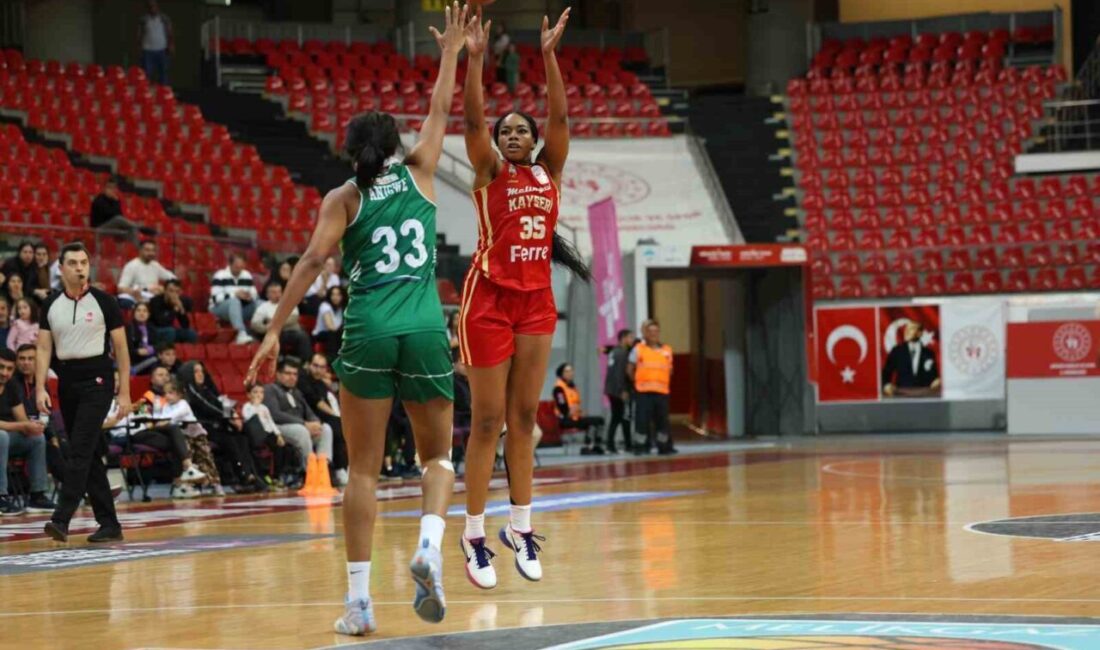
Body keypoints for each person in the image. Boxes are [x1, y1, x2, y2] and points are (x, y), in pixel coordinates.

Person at [247, 3, 469, 634]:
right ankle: (429, 545)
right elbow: (441, 109)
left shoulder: (341, 199)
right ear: (396, 147)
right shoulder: (423, 170)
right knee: (436, 459)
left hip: (369, 330)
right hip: (427, 327)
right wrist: (451, 51)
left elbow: (313, 262)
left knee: (364, 469)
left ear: (347, 151)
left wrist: (271, 329)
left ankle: (359, 604)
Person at [456, 7, 589, 590]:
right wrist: (478, 59)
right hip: (488, 300)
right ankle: (474, 535)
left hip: (536, 302)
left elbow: (561, 113)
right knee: (486, 422)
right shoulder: (488, 172)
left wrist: (550, 56)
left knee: (524, 421)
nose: (511, 134)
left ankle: (522, 527)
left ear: (534, 143)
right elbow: (471, 117)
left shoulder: (547, 174)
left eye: (520, 131)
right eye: (505, 129)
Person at [38, 242, 129, 543]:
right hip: (67, 381)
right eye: (73, 263)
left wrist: (125, 392)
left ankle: (61, 519)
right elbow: (42, 348)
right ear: (61, 268)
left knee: (79, 449)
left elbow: (122, 350)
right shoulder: (50, 304)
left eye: (84, 262)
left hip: (98, 380)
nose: (80, 268)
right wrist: (40, 387)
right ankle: (109, 523)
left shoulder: (105, 302)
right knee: (86, 454)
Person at [178, 360, 266, 492]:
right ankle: (243, 476)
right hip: (200, 428)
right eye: (196, 371)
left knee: (242, 437)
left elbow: (222, 402)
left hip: (217, 424)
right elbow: (207, 407)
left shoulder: (207, 389)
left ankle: (252, 474)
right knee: (230, 439)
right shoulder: (190, 391)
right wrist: (230, 418)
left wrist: (233, 415)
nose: (200, 374)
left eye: (202, 371)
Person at [0, 348, 54, 515]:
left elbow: (21, 419)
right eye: (1, 367)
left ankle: (37, 496)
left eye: (9, 369)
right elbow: (18, 425)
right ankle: (1, 496)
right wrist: (22, 426)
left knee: (36, 439)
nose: (5, 373)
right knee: (1, 437)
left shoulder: (11, 386)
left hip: (7, 437)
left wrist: (31, 426)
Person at [262, 357, 334, 475]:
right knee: (301, 430)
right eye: (288, 373)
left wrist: (315, 423)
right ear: (278, 374)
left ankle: (323, 470)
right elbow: (275, 414)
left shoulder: (297, 392)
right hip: (279, 428)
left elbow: (309, 412)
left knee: (325, 429)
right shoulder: (270, 389)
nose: (292, 377)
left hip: (300, 427)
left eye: (295, 374)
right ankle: (309, 471)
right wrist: (304, 423)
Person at [15, 344, 66, 485]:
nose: (26, 362)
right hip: (20, 433)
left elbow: (47, 416)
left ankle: (88, 487)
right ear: (16, 361)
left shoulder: (42, 386)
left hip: (40, 432)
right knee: (50, 449)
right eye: (22, 359)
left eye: (31, 359)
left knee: (68, 447)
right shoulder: (11, 384)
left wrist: (54, 438)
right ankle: (79, 490)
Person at [627, 320, 676, 455]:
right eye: (650, 331)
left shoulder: (667, 350)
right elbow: (630, 369)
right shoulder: (638, 349)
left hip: (662, 392)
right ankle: (640, 447)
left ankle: (663, 446)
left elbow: (670, 370)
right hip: (643, 392)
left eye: (656, 331)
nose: (653, 334)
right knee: (641, 421)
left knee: (662, 422)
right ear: (645, 334)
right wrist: (637, 382)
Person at [299, 353, 349, 486]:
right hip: (311, 416)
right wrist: (335, 415)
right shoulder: (303, 380)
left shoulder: (322, 384)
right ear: (309, 365)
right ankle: (339, 469)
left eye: (322, 367)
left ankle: (346, 467)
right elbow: (317, 403)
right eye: (315, 365)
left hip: (325, 416)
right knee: (337, 425)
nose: (318, 369)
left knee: (345, 426)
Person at [241, 383, 292, 486]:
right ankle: (264, 475)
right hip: (257, 435)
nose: (259, 395)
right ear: (248, 395)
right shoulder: (247, 407)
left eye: (261, 392)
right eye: (255, 392)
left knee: (283, 447)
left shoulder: (264, 407)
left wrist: (278, 434)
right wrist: (255, 405)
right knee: (265, 449)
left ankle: (278, 475)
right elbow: (248, 417)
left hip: (269, 433)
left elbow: (271, 422)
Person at [251, 282, 313, 362]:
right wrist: (267, 327)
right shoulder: (263, 307)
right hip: (275, 333)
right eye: (273, 292)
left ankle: (305, 362)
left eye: (279, 292)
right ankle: (279, 361)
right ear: (267, 295)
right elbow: (255, 324)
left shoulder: (289, 302)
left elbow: (293, 319)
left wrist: (273, 323)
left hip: (291, 331)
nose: (277, 295)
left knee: (303, 336)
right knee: (273, 336)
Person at [553, 363, 606, 455]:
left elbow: (576, 404)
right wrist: (573, 412)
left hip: (575, 416)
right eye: (567, 371)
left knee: (599, 420)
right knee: (591, 422)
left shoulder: (572, 387)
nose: (570, 373)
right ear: (561, 373)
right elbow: (563, 409)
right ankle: (587, 447)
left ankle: (595, 445)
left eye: (571, 370)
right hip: (565, 419)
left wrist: (578, 412)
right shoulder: (558, 388)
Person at [882, 320, 941, 397]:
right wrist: (886, 385)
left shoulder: (928, 353)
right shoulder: (897, 351)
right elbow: (886, 373)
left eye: (911, 328)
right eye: (906, 329)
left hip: (924, 394)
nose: (906, 331)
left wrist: (936, 381)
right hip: (901, 394)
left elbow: (934, 375)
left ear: (920, 333)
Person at [209, 253, 259, 345]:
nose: (239, 270)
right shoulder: (220, 275)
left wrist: (249, 296)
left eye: (241, 267)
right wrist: (235, 294)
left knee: (260, 303)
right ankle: (241, 334)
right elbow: (216, 299)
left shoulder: (247, 275)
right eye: (236, 267)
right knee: (234, 302)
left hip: (241, 307)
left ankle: (262, 332)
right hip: (219, 308)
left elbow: (255, 294)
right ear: (230, 264)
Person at [117, 240, 175, 308]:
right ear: (140, 251)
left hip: (154, 298)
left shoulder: (155, 265)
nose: (151, 253)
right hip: (138, 298)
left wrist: (164, 288)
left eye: (153, 250)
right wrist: (136, 292)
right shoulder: (131, 266)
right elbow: (121, 288)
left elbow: (172, 278)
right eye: (147, 250)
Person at [603, 328, 635, 453]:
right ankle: (624, 445)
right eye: (630, 337)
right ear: (624, 338)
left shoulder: (614, 352)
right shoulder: (622, 353)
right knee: (623, 417)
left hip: (611, 389)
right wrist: (623, 390)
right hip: (618, 390)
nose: (632, 340)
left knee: (617, 417)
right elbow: (619, 373)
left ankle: (613, 444)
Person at [148, 278, 197, 343]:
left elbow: (185, 325)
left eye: (177, 292)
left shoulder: (178, 302)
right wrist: (175, 309)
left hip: (169, 330)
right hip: (154, 330)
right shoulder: (155, 301)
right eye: (171, 291)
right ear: (165, 290)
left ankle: (186, 352)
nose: (174, 294)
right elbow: (161, 322)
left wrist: (181, 308)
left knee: (191, 334)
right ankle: (165, 351)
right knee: (170, 331)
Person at [138, 0, 173, 85]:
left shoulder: (164, 19)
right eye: (150, 6)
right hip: (147, 50)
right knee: (147, 74)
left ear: (157, 7)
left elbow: (169, 32)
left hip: (162, 50)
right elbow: (139, 34)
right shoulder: (143, 20)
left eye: (154, 6)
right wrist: (139, 46)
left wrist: (171, 44)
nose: (152, 8)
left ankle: (163, 92)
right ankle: (146, 94)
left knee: (163, 74)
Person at [312, 285, 346, 359]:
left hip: (335, 334)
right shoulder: (325, 306)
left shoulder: (341, 308)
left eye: (338, 295)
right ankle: (332, 359)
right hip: (321, 334)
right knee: (333, 334)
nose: (335, 297)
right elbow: (330, 326)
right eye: (333, 294)